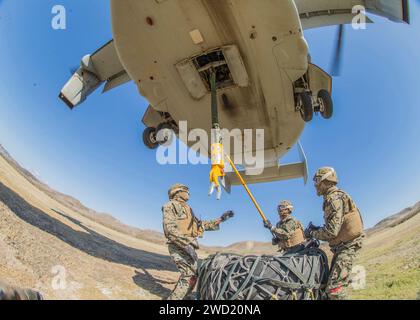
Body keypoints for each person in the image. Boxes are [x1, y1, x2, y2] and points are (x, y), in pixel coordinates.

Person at [162, 183, 234, 300]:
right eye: (186, 190)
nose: (188, 193)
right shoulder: (170, 206)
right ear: (177, 192)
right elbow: (169, 229)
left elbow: (201, 226)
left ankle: (183, 296)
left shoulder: (188, 209)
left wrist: (221, 219)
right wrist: (185, 244)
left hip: (188, 246)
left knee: (193, 275)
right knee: (188, 274)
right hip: (179, 245)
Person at [306, 167, 364, 300]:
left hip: (347, 247)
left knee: (335, 290)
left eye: (317, 181)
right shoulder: (334, 197)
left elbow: (332, 231)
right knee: (327, 288)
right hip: (342, 247)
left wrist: (312, 233)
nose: (315, 185)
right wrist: (317, 230)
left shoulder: (333, 198)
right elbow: (334, 227)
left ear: (325, 181)